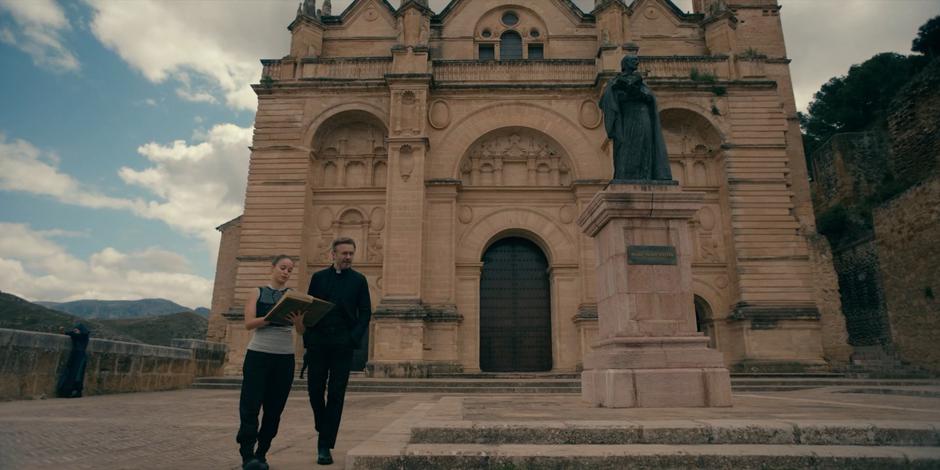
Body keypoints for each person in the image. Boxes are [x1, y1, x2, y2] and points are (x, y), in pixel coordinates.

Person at [303, 237, 372, 465]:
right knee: (314, 389)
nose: (348, 257)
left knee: (336, 394)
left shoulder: (359, 281)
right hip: (318, 343)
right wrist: (308, 338)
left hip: (343, 343)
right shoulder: (318, 278)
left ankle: (324, 445)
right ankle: (323, 425)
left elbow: (365, 312)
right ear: (333, 254)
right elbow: (309, 309)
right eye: (344, 253)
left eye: (351, 253)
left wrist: (353, 338)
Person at [236, 254, 305, 470]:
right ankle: (247, 455)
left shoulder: (293, 295)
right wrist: (271, 318)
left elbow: (301, 331)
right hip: (258, 354)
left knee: (275, 409)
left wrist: (298, 322)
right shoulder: (257, 292)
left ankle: (262, 453)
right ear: (273, 267)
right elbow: (248, 323)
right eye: (283, 268)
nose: (286, 272)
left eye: (290, 270)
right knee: (250, 406)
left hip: (285, 357)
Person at [599, 53, 673, 181]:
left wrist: (638, 93)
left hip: (642, 115)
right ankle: (624, 176)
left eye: (637, 61)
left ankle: (646, 175)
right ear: (625, 64)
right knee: (624, 145)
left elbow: (650, 98)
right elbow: (605, 100)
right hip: (626, 117)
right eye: (633, 61)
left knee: (645, 144)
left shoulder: (641, 83)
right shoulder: (615, 81)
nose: (637, 63)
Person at [56, 323, 90, 398]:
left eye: (76, 330)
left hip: (80, 357)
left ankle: (74, 391)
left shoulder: (83, 336)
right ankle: (69, 391)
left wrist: (65, 332)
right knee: (72, 374)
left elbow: (74, 335)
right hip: (76, 356)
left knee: (77, 374)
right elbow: (73, 335)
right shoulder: (80, 336)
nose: (75, 332)